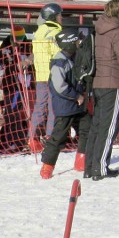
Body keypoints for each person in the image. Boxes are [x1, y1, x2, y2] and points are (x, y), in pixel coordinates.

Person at [83, 0, 119, 180]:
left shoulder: (102, 29)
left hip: (99, 82)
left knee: (97, 127)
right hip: (113, 83)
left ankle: (90, 167)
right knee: (109, 128)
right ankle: (101, 169)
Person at [39, 30, 92, 179]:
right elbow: (59, 86)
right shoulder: (60, 62)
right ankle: (47, 167)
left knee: (86, 129)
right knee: (58, 137)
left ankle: (81, 162)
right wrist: (76, 96)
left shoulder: (73, 58)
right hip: (66, 107)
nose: (78, 45)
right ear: (69, 44)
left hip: (78, 106)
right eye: (76, 42)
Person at [29, 2, 63, 151]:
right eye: (60, 15)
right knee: (53, 108)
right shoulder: (54, 32)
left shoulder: (38, 32)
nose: (62, 18)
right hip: (53, 74)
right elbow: (58, 54)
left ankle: (32, 137)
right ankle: (50, 137)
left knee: (40, 107)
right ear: (53, 16)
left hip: (41, 74)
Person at [0, 26, 31, 154]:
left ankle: (7, 139)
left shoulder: (28, 45)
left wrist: (28, 61)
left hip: (24, 84)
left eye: (20, 39)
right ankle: (17, 141)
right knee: (12, 112)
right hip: (10, 85)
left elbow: (33, 58)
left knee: (15, 113)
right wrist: (6, 60)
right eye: (15, 39)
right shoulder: (5, 46)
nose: (18, 42)